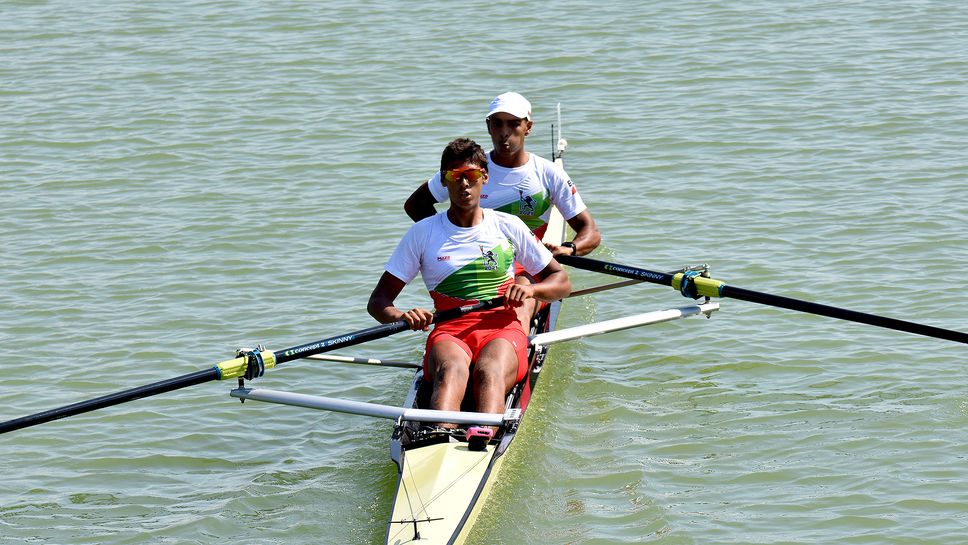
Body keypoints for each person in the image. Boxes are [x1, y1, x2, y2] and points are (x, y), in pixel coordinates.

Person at [369, 138, 571, 422]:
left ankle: (483, 434)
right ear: (444, 180)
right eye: (455, 176)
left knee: (489, 371)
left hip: (502, 326)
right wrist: (402, 316)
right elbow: (378, 302)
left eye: (471, 175)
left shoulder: (508, 226)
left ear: (484, 177)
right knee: (452, 370)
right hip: (450, 330)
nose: (464, 184)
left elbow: (561, 282)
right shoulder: (422, 233)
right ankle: (440, 433)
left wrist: (532, 290)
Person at [404, 92, 600, 326]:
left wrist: (569, 249)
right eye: (497, 123)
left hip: (528, 264)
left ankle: (516, 335)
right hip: (484, 260)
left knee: (519, 299)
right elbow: (415, 205)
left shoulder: (549, 174)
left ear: (528, 127)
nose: (504, 132)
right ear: (488, 126)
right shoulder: (469, 169)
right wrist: (445, 236)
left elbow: (590, 232)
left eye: (513, 124)